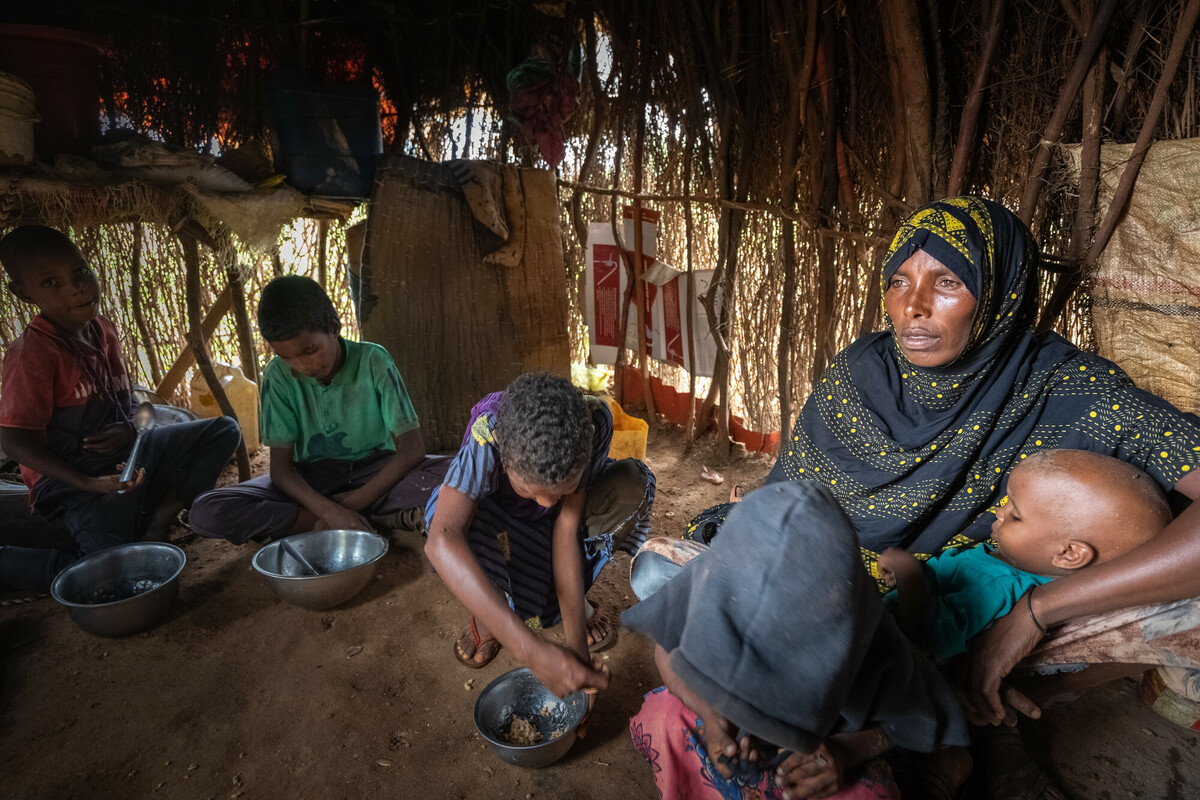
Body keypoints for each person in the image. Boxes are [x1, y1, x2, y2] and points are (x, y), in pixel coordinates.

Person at [680, 196, 1200, 799]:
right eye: (899, 280)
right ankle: (958, 719)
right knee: (677, 580)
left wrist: (1034, 616)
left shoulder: (1070, 390)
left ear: (999, 294)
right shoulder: (859, 378)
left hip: (1000, 593)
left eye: (947, 281)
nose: (913, 307)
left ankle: (981, 711)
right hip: (849, 588)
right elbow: (791, 507)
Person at [625, 481, 969, 800]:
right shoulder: (712, 579)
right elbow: (666, 652)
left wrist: (847, 751)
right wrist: (712, 715)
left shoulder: (865, 633)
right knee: (664, 715)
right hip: (726, 731)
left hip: (821, 750)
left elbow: (909, 716)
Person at [0, 225, 241, 590]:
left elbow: (135, 404)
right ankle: (28, 566)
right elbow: (15, 441)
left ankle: (159, 519)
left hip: (129, 459)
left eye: (80, 271)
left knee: (223, 430)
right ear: (22, 292)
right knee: (115, 576)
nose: (75, 287)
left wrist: (130, 428)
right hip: (74, 482)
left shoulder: (103, 330)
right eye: (51, 282)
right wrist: (87, 482)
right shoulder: (32, 354)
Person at [424, 372, 655, 695]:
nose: (547, 502)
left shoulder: (589, 426)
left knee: (632, 484)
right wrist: (532, 652)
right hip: (498, 525)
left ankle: (566, 606)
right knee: (442, 512)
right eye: (528, 489)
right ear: (504, 454)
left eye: (563, 489)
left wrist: (579, 658)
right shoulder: (489, 435)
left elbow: (565, 529)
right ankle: (492, 612)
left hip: (550, 532)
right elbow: (442, 540)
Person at [188, 275, 445, 543]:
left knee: (460, 473)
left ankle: (321, 521)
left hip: (375, 471)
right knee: (207, 511)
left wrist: (347, 505)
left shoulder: (373, 360)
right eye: (287, 357)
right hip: (311, 480)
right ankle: (377, 518)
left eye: (309, 351)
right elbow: (282, 472)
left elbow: (412, 449)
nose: (302, 366)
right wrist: (330, 510)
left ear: (334, 327)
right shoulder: (277, 377)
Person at [878, 449, 1171, 663]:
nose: (999, 512)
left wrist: (910, 578)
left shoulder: (998, 586)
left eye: (1015, 515)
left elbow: (923, 640)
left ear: (1068, 553)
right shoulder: (1005, 561)